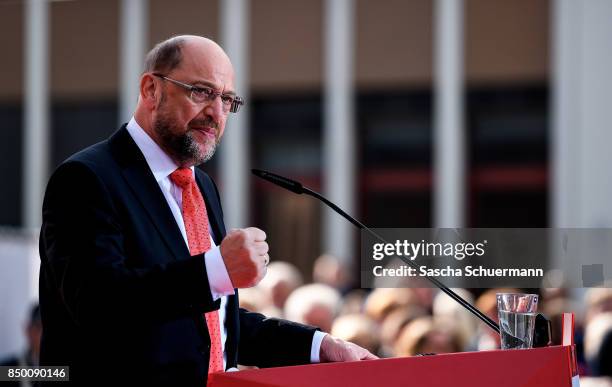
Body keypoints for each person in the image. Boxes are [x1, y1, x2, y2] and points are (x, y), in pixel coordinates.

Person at [38, 35, 376, 385]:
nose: (216, 113)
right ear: (151, 89)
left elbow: (212, 324)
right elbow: (98, 306)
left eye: (227, 99)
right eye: (200, 91)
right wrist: (215, 269)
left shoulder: (200, 185)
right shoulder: (86, 178)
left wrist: (320, 345)